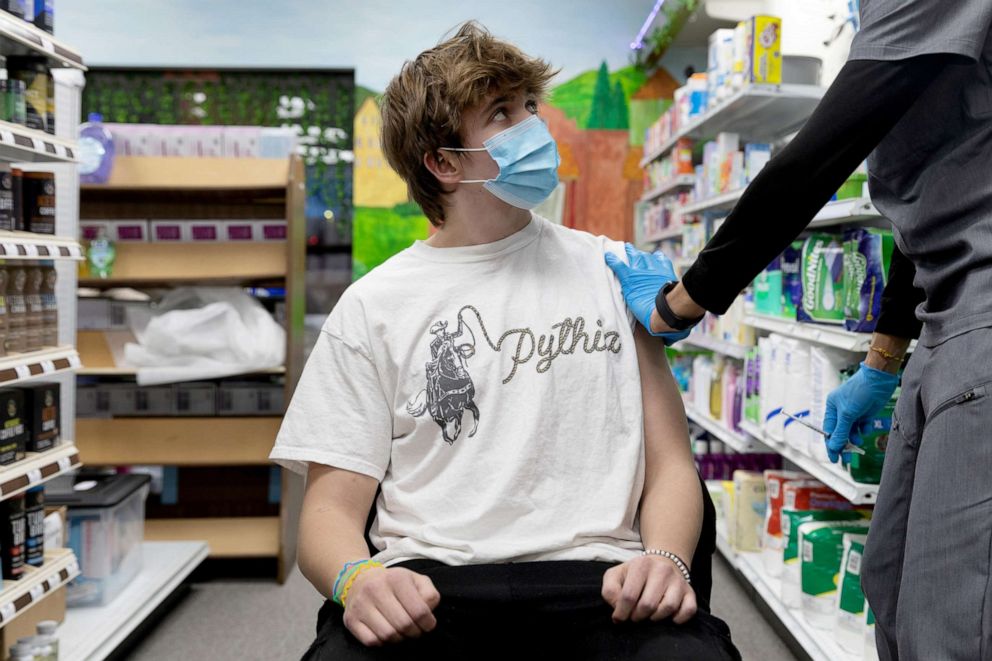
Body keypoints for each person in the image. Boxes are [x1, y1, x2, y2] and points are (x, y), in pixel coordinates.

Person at [270, 21, 740, 661]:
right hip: (432, 587)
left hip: (602, 579)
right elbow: (327, 514)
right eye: (501, 113)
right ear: (441, 163)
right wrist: (358, 580)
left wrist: (664, 559)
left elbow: (672, 466)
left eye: (529, 107)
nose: (533, 128)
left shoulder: (613, 273)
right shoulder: (373, 307)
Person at [607, 2, 992, 659]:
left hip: (982, 309)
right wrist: (881, 360)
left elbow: (811, 162)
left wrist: (682, 303)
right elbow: (929, 194)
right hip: (942, 311)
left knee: (947, 617)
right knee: (887, 574)